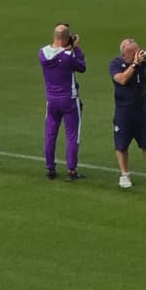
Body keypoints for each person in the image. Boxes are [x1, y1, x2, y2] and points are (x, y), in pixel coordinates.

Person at [109, 39, 146, 189]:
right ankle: (124, 175)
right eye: (133, 51)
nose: (138, 53)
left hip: (141, 110)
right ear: (124, 54)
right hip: (123, 111)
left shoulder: (143, 61)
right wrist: (135, 65)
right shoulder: (115, 64)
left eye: (138, 49)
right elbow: (122, 80)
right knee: (121, 145)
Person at [39, 23, 86, 181]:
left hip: (51, 100)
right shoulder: (68, 57)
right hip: (69, 100)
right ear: (66, 38)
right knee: (72, 135)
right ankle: (71, 170)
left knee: (50, 134)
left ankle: (49, 168)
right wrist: (75, 48)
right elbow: (81, 66)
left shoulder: (42, 53)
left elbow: (55, 59)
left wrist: (68, 49)